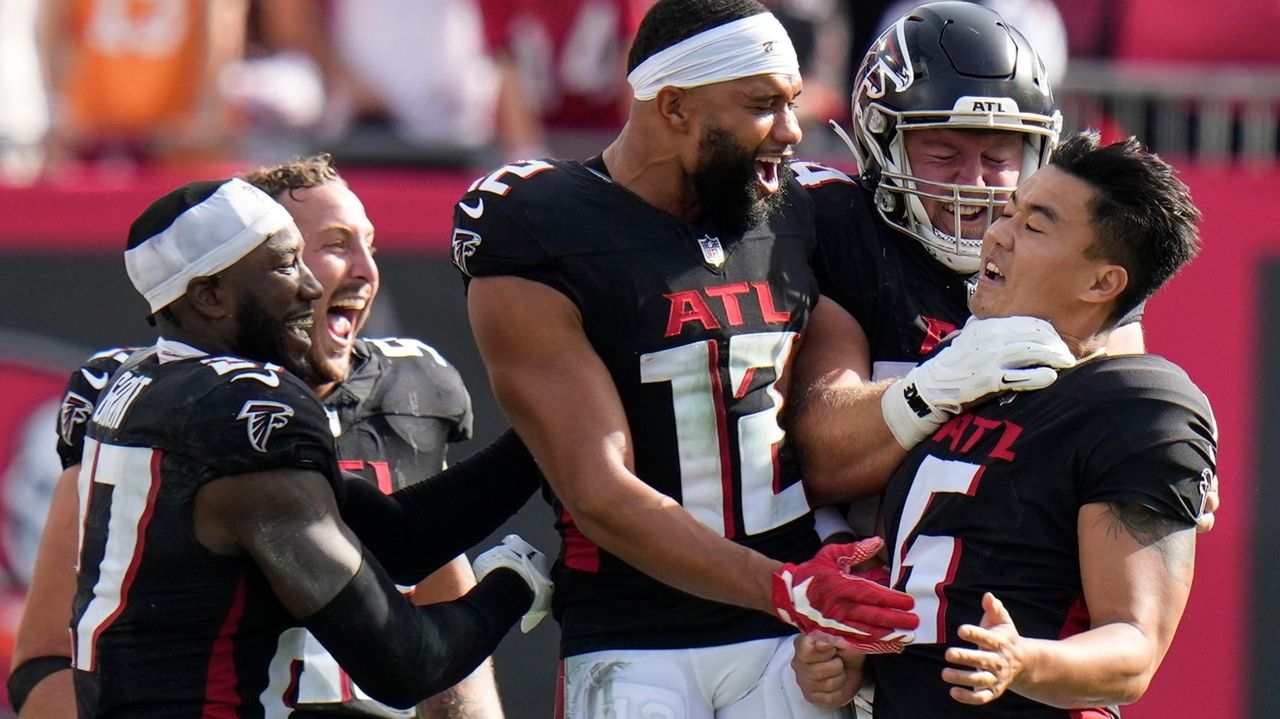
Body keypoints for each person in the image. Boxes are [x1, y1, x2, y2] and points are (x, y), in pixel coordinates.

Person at [450, 1, 1075, 715]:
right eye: (761, 105)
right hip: (637, 624)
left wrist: (1127, 420)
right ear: (676, 106)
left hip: (790, 636)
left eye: (792, 103)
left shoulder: (806, 210)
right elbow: (599, 490)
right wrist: (785, 585)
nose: (792, 130)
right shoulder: (539, 225)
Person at [7, 157, 517, 718]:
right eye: (295, 258)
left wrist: (555, 440)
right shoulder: (243, 417)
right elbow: (405, 664)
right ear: (211, 295)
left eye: (368, 243)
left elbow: (403, 542)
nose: (314, 284)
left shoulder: (165, 389)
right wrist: (517, 580)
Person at [793, 131, 1217, 717]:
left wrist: (1023, 662)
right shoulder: (981, 381)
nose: (996, 233)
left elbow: (1133, 652)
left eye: (1034, 226)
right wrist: (851, 656)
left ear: (1101, 283)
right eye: (1011, 212)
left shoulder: (1139, 402)